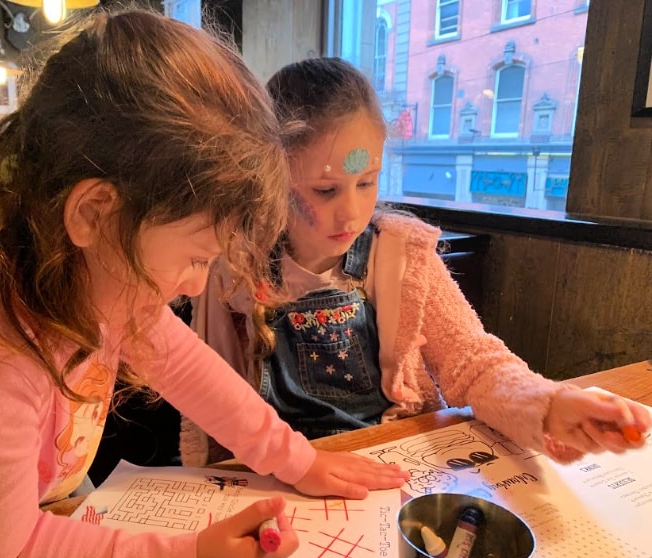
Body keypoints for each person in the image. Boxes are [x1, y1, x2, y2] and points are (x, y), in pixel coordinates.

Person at [0, 14, 409, 558]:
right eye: (196, 258)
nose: (197, 287)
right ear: (93, 213)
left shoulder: (93, 271)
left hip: (17, 518)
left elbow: (190, 370)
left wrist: (298, 460)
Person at [180, 56, 650, 468]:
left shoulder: (403, 254)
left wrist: (550, 404)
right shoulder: (231, 268)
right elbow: (213, 409)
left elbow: (474, 362)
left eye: (367, 182)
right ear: (270, 178)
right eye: (325, 191)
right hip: (286, 472)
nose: (351, 212)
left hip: (395, 460)